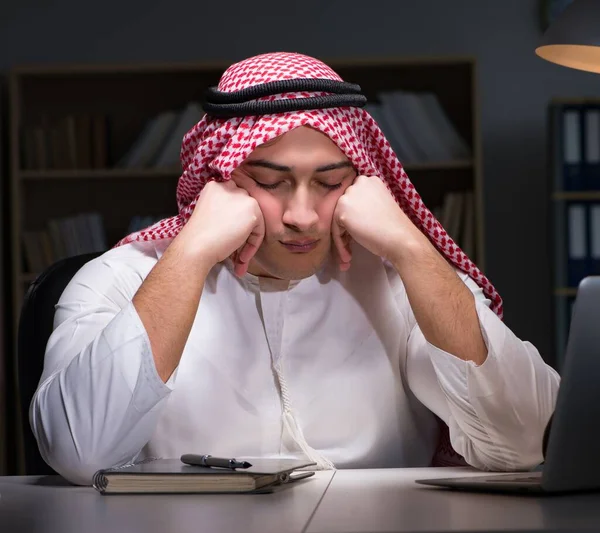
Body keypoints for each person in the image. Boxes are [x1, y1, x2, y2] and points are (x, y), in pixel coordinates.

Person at [30, 52, 560, 486]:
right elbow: (79, 453)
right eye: (271, 181)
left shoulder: (401, 279)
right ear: (222, 176)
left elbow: (520, 443)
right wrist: (189, 255)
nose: (302, 216)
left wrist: (411, 248)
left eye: (330, 183)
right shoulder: (118, 277)